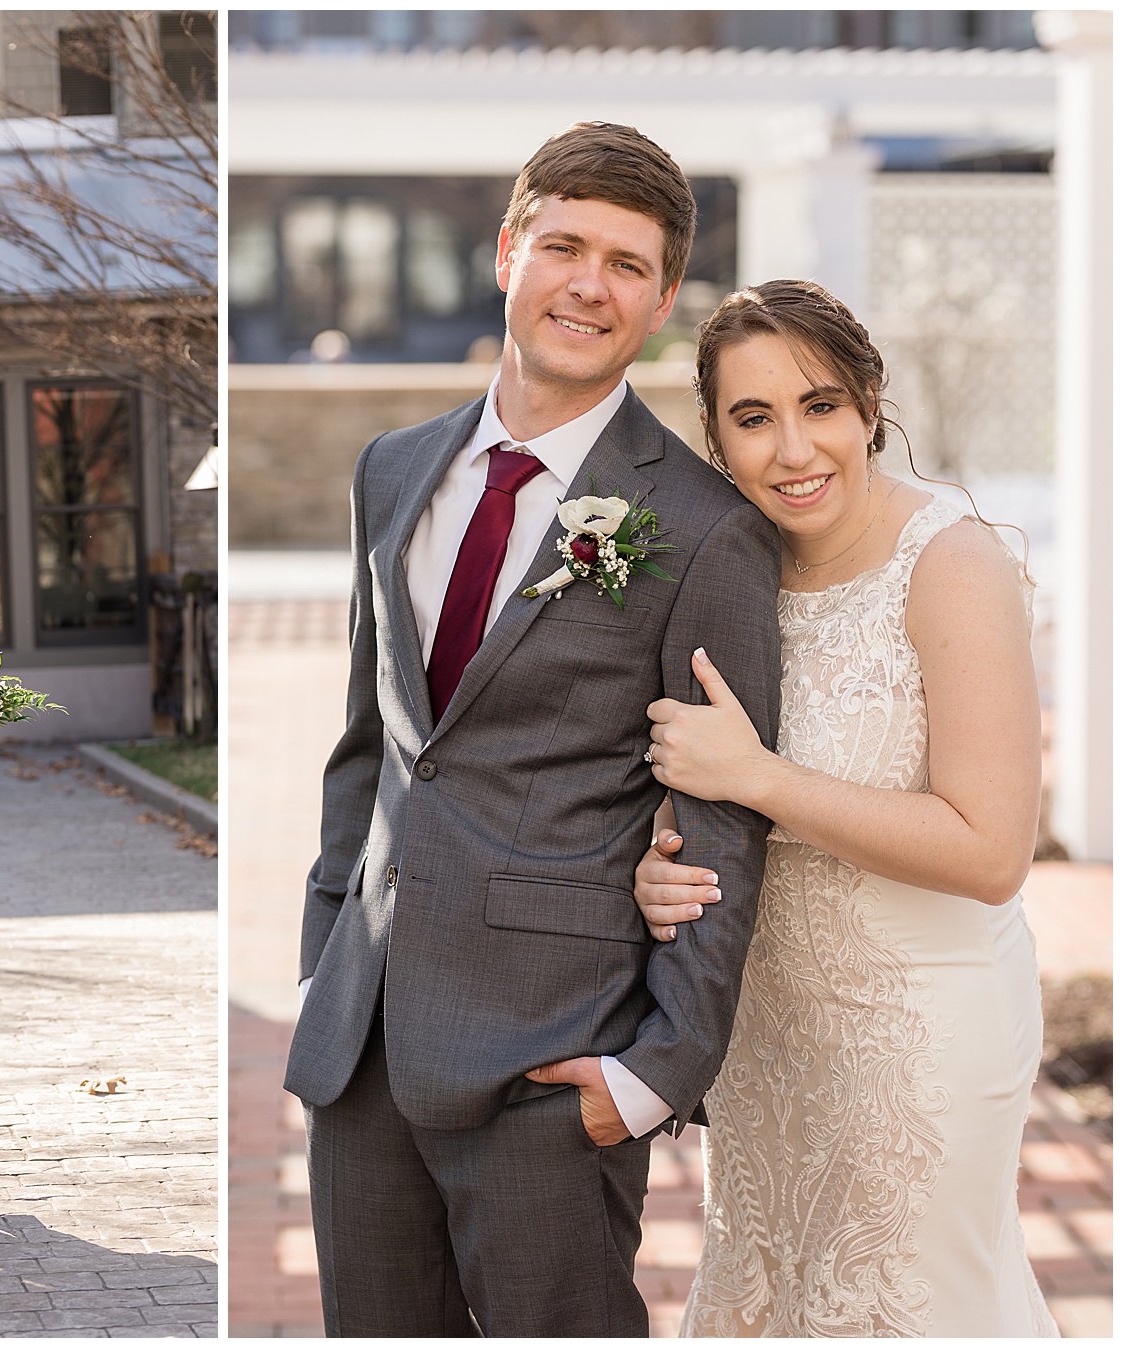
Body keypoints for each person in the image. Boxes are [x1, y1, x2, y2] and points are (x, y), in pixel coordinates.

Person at [283, 121, 784, 1336]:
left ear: (664, 302)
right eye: (565, 245)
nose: (589, 285)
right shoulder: (391, 471)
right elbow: (373, 742)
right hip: (363, 1045)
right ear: (508, 252)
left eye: (627, 264)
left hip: (555, 1065)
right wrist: (321, 966)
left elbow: (728, 814)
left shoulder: (706, 526)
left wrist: (656, 1072)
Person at [630, 279, 1058, 1337]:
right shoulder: (730, 572)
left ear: (870, 401)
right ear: (717, 441)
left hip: (924, 1036)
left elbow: (992, 847)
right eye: (754, 418)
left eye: (819, 405)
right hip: (769, 1042)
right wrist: (659, 866)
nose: (793, 449)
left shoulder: (952, 564)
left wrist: (756, 779)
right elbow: (699, 782)